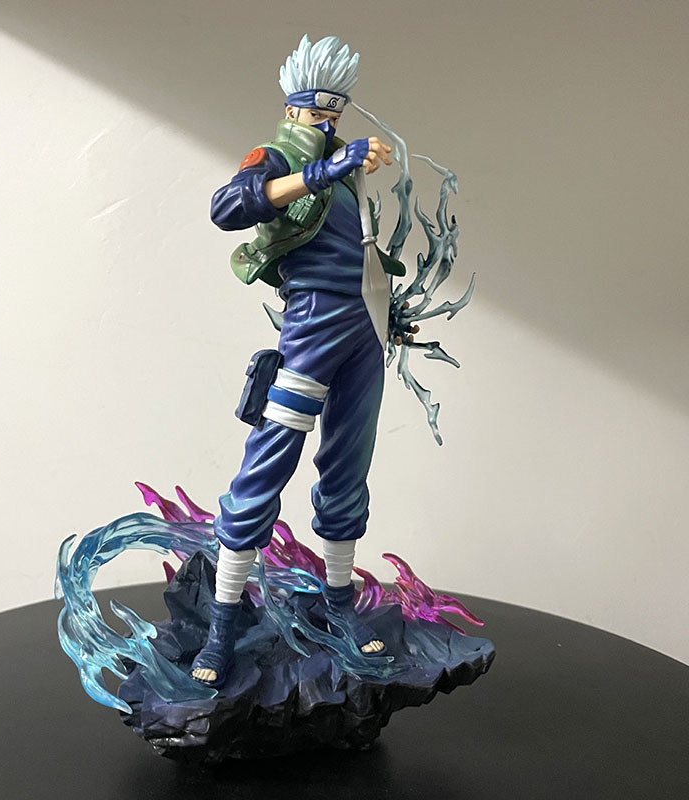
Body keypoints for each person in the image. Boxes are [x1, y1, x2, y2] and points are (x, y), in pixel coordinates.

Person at [192, 35, 401, 687]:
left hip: (365, 323)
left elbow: (361, 248)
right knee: (271, 456)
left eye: (335, 111)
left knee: (349, 463)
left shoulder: (346, 167)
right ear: (294, 109)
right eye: (317, 111)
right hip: (311, 322)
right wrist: (321, 170)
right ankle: (222, 625)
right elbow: (228, 207)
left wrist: (394, 313)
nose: (327, 121)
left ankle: (339, 606)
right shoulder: (281, 156)